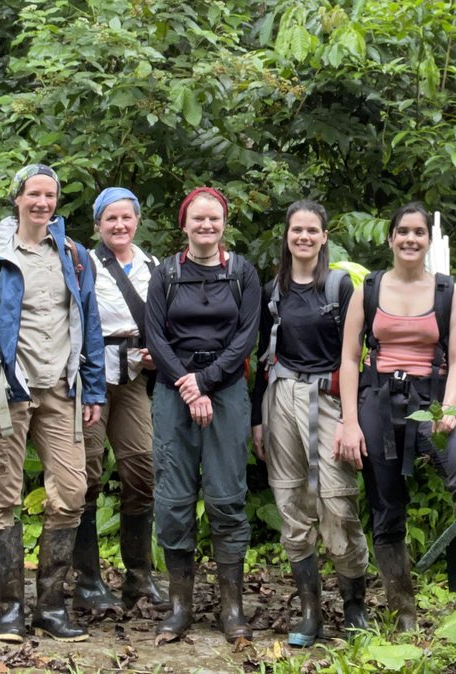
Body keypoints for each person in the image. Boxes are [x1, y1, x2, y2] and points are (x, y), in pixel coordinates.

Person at [0, 164, 106, 643]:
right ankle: (10, 609)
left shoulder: (74, 255)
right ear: (17, 199)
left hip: (61, 391)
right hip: (6, 391)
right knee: (2, 496)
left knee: (73, 490)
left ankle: (51, 606)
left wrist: (95, 388)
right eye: (33, 195)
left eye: (50, 195)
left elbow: (91, 325)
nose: (42, 203)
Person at [336, 202, 456, 633]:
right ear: (390, 238)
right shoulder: (369, 289)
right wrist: (350, 420)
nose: (410, 239)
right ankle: (403, 612)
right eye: (402, 231)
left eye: (418, 232)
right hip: (378, 397)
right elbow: (348, 359)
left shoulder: (447, 291)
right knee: (386, 504)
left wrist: (450, 410)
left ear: (428, 241)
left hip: (432, 398)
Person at [145, 187, 261, 644]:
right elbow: (155, 336)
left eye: (214, 219)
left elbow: (247, 336)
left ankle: (231, 609)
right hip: (174, 392)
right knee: (173, 498)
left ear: (224, 224)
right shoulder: (166, 274)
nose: (206, 226)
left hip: (227, 391)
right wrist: (187, 384)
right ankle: (180, 607)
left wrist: (207, 382)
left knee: (227, 497)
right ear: (184, 224)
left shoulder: (242, 274)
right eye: (198, 220)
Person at [250, 200, 368, 646]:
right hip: (281, 397)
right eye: (296, 230)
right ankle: (309, 611)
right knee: (291, 504)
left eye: (311, 230)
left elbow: (355, 357)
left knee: (337, 504)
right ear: (287, 236)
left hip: (330, 400)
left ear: (324, 236)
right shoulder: (271, 291)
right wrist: (258, 418)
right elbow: (264, 354)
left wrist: (352, 420)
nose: (303, 237)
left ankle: (354, 605)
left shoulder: (339, 288)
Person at [74, 187, 165, 617]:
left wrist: (156, 356)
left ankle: (139, 575)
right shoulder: (83, 264)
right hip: (90, 376)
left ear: (137, 221)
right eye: (110, 219)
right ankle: (88, 580)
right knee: (87, 472)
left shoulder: (154, 268)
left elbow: (165, 324)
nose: (120, 225)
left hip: (133, 379)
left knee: (141, 465)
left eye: (126, 217)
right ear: (97, 225)